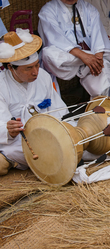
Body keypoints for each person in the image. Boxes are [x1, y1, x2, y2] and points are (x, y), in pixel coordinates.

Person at [0, 30, 67, 175]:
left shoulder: (43, 76)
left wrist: (59, 129)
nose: (35, 72)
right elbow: (2, 123)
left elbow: (58, 108)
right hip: (17, 141)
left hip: (49, 133)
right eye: (28, 68)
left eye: (37, 65)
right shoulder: (1, 85)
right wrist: (9, 131)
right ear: (11, 68)